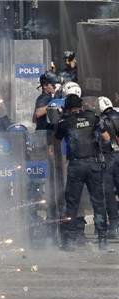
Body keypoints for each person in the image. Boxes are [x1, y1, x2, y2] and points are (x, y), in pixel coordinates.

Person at [54, 94, 111, 251]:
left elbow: (56, 141)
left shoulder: (64, 122)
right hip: (93, 164)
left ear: (67, 108)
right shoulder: (93, 117)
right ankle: (102, 239)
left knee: (72, 204)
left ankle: (69, 241)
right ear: (81, 105)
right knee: (98, 202)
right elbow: (106, 137)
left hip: (76, 166)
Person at [98, 96, 119, 239]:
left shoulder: (100, 120)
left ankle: (113, 225)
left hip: (108, 158)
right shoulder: (118, 115)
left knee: (109, 193)